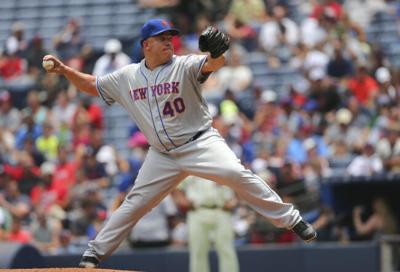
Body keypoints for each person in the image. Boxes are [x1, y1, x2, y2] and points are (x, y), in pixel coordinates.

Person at [42, 18, 317, 269]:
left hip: (200, 143)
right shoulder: (127, 76)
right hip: (162, 155)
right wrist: (66, 70)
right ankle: (93, 255)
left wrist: (218, 54)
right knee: (134, 203)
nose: (168, 42)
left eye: (170, 37)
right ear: (146, 45)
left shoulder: (183, 65)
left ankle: (292, 219)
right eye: (162, 38)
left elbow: (212, 64)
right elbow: (93, 85)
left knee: (236, 173)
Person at [179, 176, 239, 272]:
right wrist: (182, 200)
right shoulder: (191, 166)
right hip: (197, 210)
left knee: (226, 249)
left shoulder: (223, 164)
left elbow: (239, 182)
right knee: (197, 250)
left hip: (221, 209)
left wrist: (235, 200)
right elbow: (178, 187)